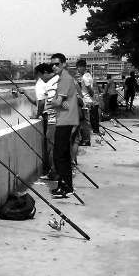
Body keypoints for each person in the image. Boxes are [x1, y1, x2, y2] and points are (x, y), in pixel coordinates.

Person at [48, 53, 79, 197]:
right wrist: (59, 102)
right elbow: (64, 103)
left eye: (57, 64)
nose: (54, 66)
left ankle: (65, 186)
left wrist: (52, 101)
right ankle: (66, 186)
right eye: (52, 64)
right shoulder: (64, 78)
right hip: (67, 118)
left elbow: (58, 102)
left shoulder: (65, 79)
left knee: (59, 156)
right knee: (64, 155)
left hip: (65, 121)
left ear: (64, 64)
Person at [24, 63, 59, 179]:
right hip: (61, 118)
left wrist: (38, 115)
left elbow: (41, 103)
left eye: (39, 75)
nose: (40, 78)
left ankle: (53, 172)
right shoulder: (59, 79)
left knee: (51, 146)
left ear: (43, 73)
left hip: (53, 119)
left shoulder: (44, 83)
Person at [76, 59, 94, 142]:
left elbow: (89, 89)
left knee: (85, 121)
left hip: (86, 101)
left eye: (78, 68)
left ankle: (86, 140)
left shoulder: (84, 77)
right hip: (88, 100)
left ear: (82, 67)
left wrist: (87, 97)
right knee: (86, 120)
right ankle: (86, 139)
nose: (78, 70)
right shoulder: (89, 75)